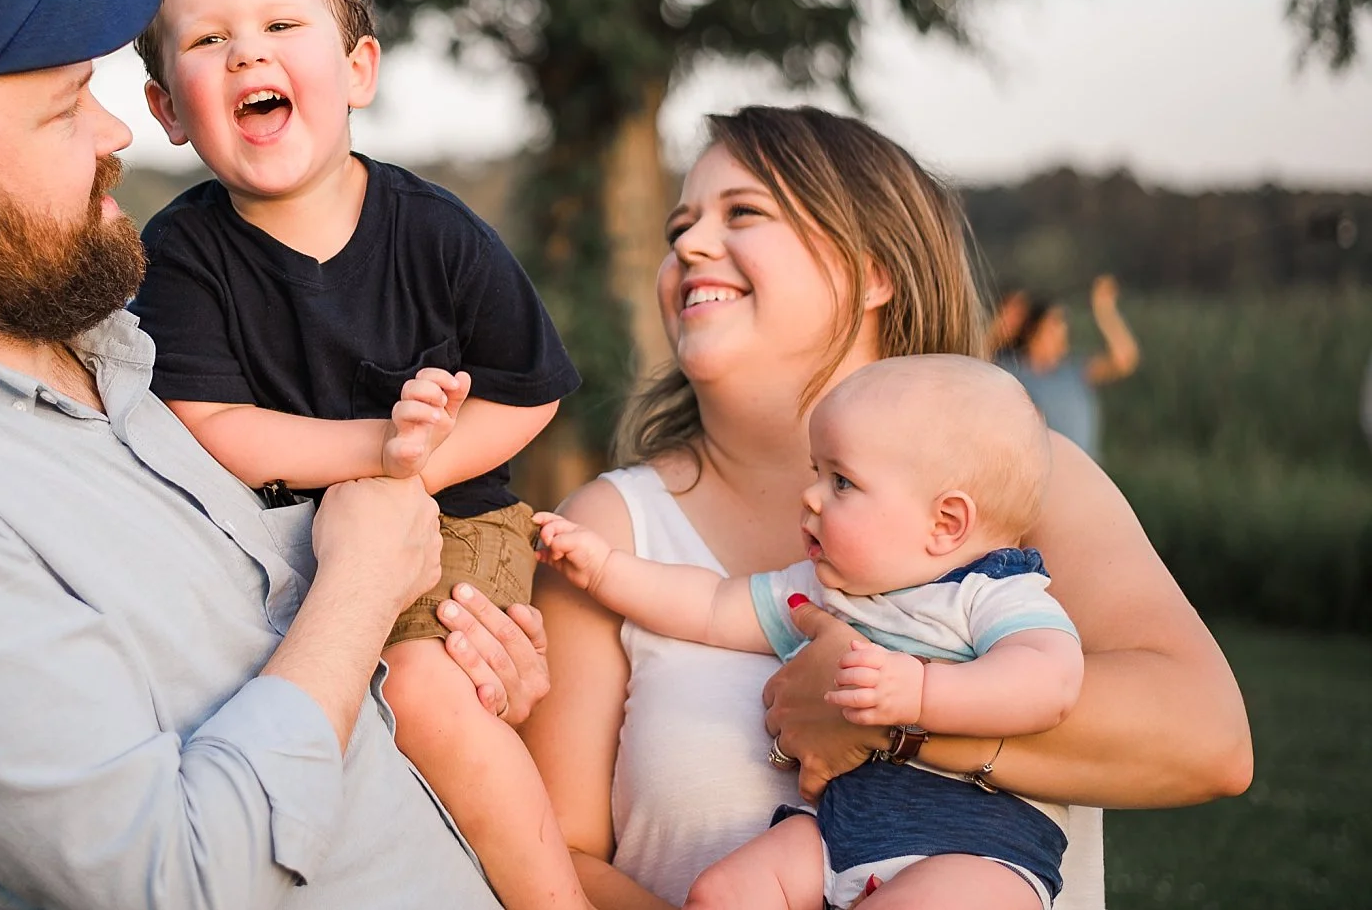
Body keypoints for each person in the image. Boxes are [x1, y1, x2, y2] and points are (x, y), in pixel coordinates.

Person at [0, 0, 551, 910]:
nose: (114, 132)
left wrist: (465, 665)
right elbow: (176, 880)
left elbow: (308, 661)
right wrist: (363, 588)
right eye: (64, 109)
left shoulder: (138, 339)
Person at [522, 105, 1252, 910]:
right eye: (679, 225)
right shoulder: (608, 529)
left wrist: (893, 721)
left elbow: (1210, 740)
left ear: (873, 270)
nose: (689, 244)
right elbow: (556, 859)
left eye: (743, 212)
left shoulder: (1020, 482)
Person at [127, 0, 590, 910]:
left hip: (454, 518)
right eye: (207, 40)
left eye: (280, 26)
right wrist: (379, 447)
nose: (245, 55)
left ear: (357, 69)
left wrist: (414, 469)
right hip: (295, 545)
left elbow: (528, 393)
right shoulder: (182, 256)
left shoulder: (437, 232)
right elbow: (212, 425)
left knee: (421, 690)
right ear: (166, 109)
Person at [536, 355, 1084, 910]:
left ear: (946, 523)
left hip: (973, 849)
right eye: (816, 472)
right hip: (839, 834)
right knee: (721, 892)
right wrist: (606, 570)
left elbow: (1051, 679)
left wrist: (921, 691)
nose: (810, 496)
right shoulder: (827, 592)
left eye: (841, 481)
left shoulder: (991, 592)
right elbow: (711, 605)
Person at [993, 278, 1140, 462]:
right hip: (1041, 469)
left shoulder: (1073, 371)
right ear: (1033, 330)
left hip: (1082, 468)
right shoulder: (1012, 370)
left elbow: (1124, 360)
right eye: (1053, 327)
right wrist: (1002, 325)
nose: (1060, 335)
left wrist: (1104, 311)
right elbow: (974, 360)